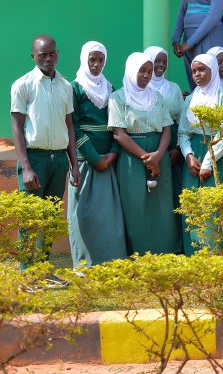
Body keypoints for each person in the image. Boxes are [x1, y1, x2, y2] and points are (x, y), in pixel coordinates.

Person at [11, 35, 80, 271]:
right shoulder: (23, 85)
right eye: (43, 55)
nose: (48, 59)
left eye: (52, 54)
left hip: (59, 160)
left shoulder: (66, 86)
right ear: (33, 56)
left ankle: (43, 270)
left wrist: (74, 164)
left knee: (50, 219)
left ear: (58, 54)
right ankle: (27, 273)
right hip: (34, 159)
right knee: (30, 219)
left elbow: (69, 126)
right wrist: (26, 167)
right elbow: (17, 128)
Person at [109, 52, 178, 254]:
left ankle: (164, 251)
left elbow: (166, 129)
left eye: (149, 71)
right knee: (135, 205)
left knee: (162, 205)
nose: (147, 75)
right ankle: (138, 253)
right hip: (132, 157)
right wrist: (147, 158)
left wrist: (158, 155)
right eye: (142, 71)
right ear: (131, 71)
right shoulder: (117, 98)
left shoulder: (157, 97)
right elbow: (119, 134)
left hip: (159, 154)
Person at [67, 42, 126, 267]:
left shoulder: (110, 89)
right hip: (85, 162)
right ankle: (85, 264)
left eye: (101, 60)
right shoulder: (75, 89)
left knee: (108, 215)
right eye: (92, 59)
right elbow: (73, 126)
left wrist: (112, 154)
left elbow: (117, 124)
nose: (96, 64)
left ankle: (109, 262)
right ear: (84, 59)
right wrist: (94, 158)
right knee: (83, 214)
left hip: (107, 162)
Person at [177, 53, 223, 254]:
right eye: (194, 71)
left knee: (214, 211)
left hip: (218, 156)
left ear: (213, 70)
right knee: (193, 210)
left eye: (202, 70)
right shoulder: (191, 99)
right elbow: (183, 132)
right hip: (194, 159)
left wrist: (208, 162)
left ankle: (215, 259)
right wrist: (188, 156)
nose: (197, 75)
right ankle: (194, 257)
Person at [145, 46, 186, 253]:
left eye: (164, 61)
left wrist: (177, 148)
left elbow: (182, 120)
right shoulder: (140, 87)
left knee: (174, 195)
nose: (160, 65)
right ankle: (153, 244)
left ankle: (174, 244)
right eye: (156, 61)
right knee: (152, 195)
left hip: (172, 149)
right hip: (151, 147)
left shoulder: (175, 88)